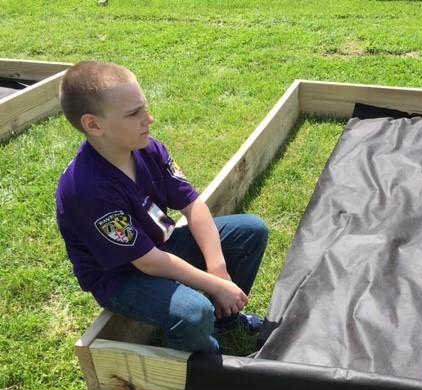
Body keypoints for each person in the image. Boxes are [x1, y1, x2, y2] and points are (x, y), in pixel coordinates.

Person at [55, 61, 268, 353]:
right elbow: (147, 262)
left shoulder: (147, 148)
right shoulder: (87, 189)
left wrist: (218, 270)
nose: (149, 119)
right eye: (134, 113)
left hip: (158, 247)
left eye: (144, 107)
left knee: (251, 231)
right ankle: (200, 362)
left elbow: (192, 205)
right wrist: (213, 285)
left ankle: (225, 320)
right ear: (94, 124)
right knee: (193, 313)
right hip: (122, 277)